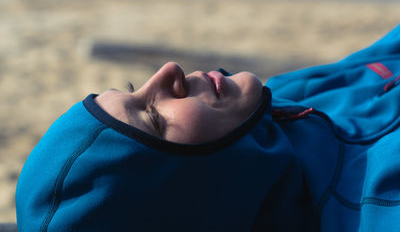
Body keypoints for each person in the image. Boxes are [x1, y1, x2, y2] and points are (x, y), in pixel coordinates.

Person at [16, 24, 400, 231]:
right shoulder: (379, 201)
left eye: (134, 90)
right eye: (152, 116)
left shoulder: (277, 104)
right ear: (188, 198)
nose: (168, 72)